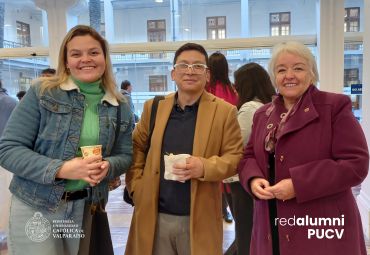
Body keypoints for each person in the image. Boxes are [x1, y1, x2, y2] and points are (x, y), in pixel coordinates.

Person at [0, 25, 133, 255]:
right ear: (66, 60)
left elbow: (126, 154)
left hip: (83, 207)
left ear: (104, 57)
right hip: (37, 205)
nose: (86, 59)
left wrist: (109, 166)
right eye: (76, 54)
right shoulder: (42, 92)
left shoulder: (119, 104)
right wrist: (61, 168)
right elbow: (8, 149)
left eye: (93, 52)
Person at [238, 41, 369, 255]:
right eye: (281, 70)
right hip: (270, 224)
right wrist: (252, 179)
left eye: (298, 68)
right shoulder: (262, 114)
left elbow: (356, 163)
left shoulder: (334, 107)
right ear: (274, 78)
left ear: (312, 73)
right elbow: (249, 156)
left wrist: (298, 185)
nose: (289, 75)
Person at [125, 43, 244, 255]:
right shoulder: (153, 107)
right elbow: (136, 147)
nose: (190, 71)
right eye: (183, 65)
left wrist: (204, 167)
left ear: (207, 75)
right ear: (173, 73)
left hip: (199, 217)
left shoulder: (225, 112)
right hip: (154, 215)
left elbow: (235, 158)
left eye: (198, 66)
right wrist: (136, 186)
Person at [229, 62, 275, 255]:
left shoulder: (249, 108)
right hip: (260, 178)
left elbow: (236, 145)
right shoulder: (270, 105)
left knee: (245, 233)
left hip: (242, 180)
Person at [206, 52, 238, 226]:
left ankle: (217, 213)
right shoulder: (233, 89)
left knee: (211, 178)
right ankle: (228, 211)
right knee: (227, 180)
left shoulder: (205, 89)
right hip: (230, 142)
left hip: (209, 141)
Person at [0, 81, 17, 247]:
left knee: (5, 197)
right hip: (8, 157)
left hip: (5, 157)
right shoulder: (11, 102)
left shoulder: (8, 102)